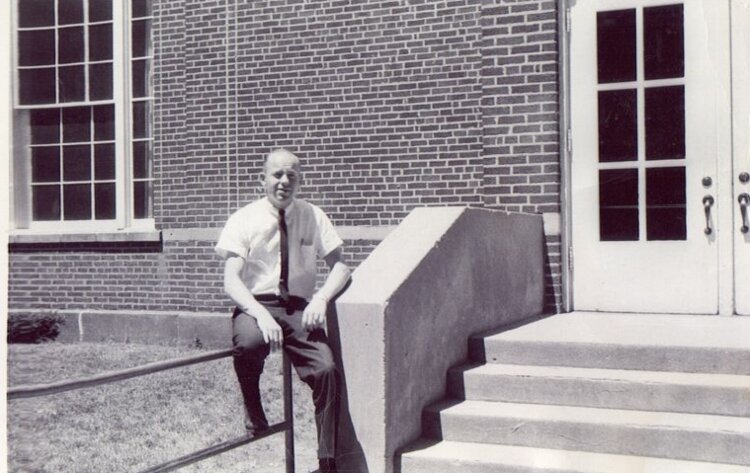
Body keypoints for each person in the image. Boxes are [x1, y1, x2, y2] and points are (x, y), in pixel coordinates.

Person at [215, 148, 351, 473]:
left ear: (299, 180)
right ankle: (254, 412)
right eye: (277, 174)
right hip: (256, 305)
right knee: (247, 344)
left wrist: (320, 299)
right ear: (262, 179)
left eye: (292, 175)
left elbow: (341, 267)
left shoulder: (313, 215)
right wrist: (260, 315)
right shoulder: (243, 218)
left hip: (299, 309)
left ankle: (327, 460)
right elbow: (231, 281)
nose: (284, 181)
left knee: (327, 371)